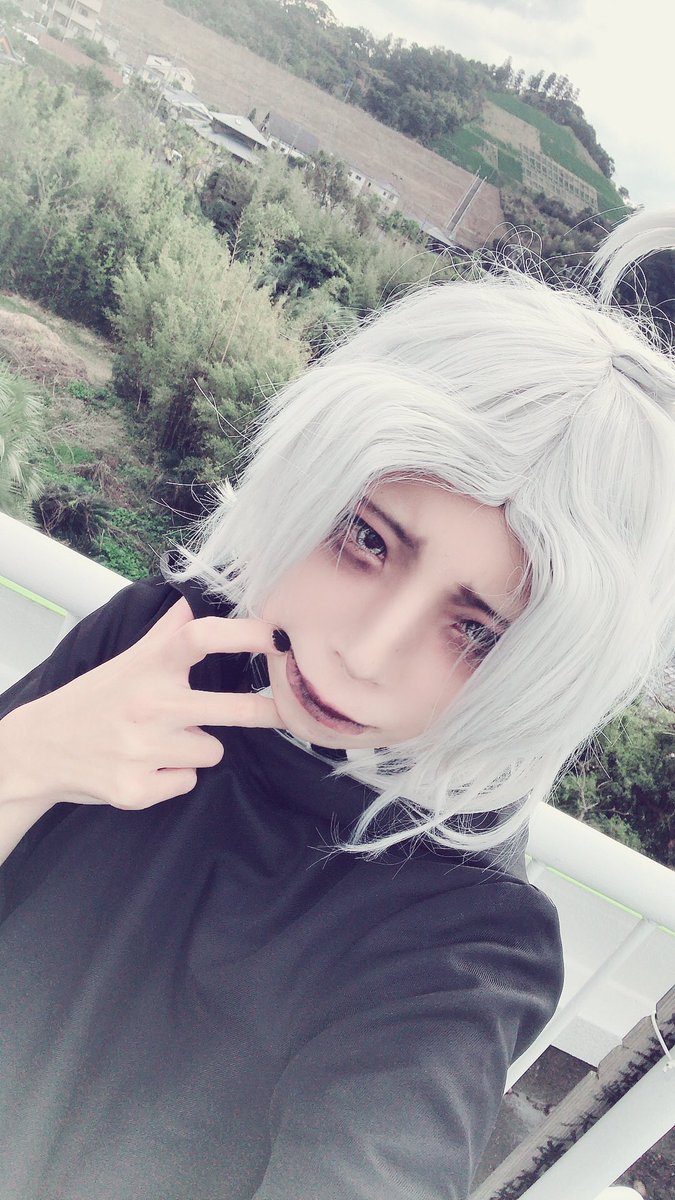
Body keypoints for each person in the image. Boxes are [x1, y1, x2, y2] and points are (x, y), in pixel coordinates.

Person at [0, 207, 673, 1200]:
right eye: (366, 538)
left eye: (476, 630)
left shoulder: (460, 940)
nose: (363, 652)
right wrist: (23, 762)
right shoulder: (161, 640)